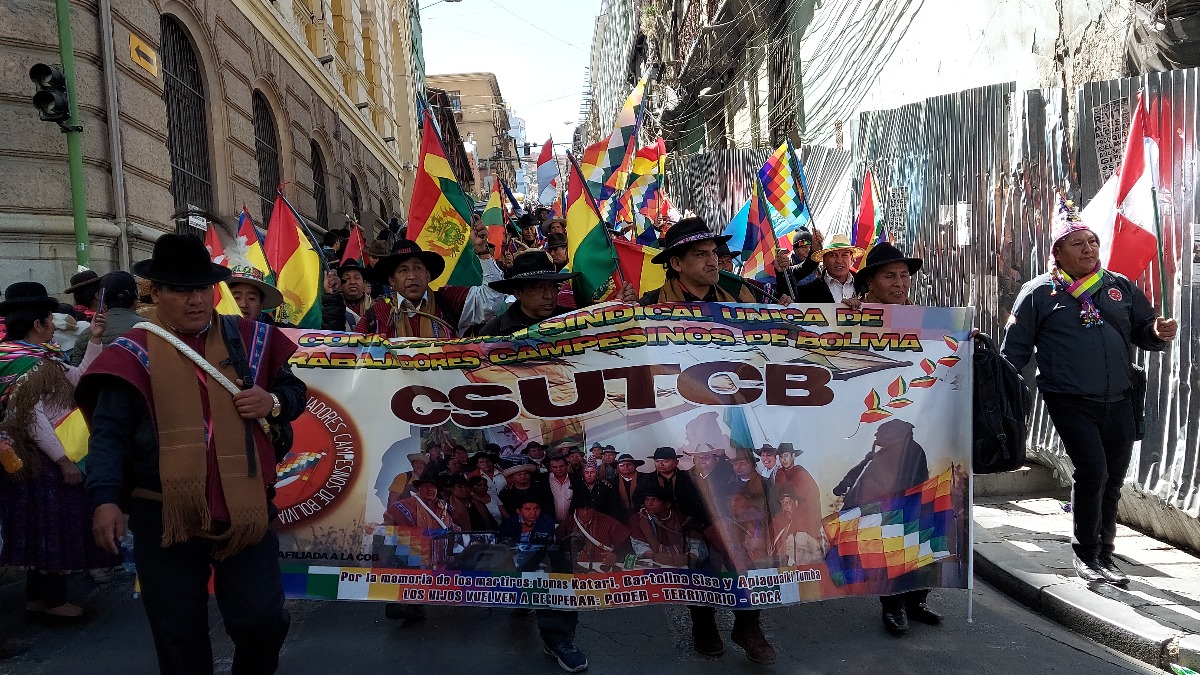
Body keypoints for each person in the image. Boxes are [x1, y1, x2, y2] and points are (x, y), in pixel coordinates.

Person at [78, 234, 306, 674]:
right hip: (164, 514)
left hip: (246, 511)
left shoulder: (250, 339)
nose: (196, 299)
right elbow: (108, 435)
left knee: (262, 620)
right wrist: (105, 498)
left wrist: (272, 401)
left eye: (202, 287)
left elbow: (294, 392)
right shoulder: (130, 353)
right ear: (156, 292)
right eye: (181, 289)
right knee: (178, 635)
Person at [1001, 195, 1177, 586]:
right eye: (1077, 243)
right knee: (1093, 469)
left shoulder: (1119, 287)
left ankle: (1105, 555)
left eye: (1093, 241)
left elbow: (1142, 332)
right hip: (1068, 399)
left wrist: (1156, 332)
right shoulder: (1038, 293)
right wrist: (1003, 397)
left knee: (1114, 476)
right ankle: (1084, 552)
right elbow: (1013, 354)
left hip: (1120, 397)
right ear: (1058, 251)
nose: (1088, 248)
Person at [0, 282, 114, 619]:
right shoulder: (23, 363)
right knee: (53, 526)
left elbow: (80, 378)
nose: (53, 323)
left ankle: (38, 598)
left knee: (38, 526)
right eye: (49, 318)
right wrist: (63, 460)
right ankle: (54, 601)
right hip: (40, 458)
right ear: (38, 324)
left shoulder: (43, 356)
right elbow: (31, 418)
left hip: (32, 459)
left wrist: (94, 339)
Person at [834, 419, 940, 636]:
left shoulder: (911, 452)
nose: (876, 438)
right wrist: (846, 484)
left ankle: (915, 603)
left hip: (907, 510)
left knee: (918, 559)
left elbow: (914, 481)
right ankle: (894, 607)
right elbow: (863, 471)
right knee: (891, 561)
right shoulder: (882, 455)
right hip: (886, 513)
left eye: (880, 434)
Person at [355, 228, 505, 338]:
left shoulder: (449, 301)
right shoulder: (376, 315)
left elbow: (491, 299)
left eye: (418, 268)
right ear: (392, 280)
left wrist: (482, 250)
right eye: (403, 270)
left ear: (428, 275)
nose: (412, 276)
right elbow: (351, 351)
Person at [497, 497, 587, 673]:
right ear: (519, 511)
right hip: (512, 567)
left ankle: (557, 641)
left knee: (552, 584)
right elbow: (502, 545)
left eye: (536, 508)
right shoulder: (509, 523)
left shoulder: (545, 521)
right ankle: (523, 603)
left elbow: (541, 546)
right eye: (528, 509)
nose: (533, 513)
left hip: (540, 565)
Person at [638, 218, 757, 304]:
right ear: (676, 263)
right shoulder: (651, 304)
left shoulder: (736, 299)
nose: (712, 261)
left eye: (714, 252)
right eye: (701, 254)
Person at [478, 251, 579, 335]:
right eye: (538, 288)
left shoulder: (575, 322)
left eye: (553, 286)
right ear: (518, 293)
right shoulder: (493, 333)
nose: (548, 295)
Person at [68, 271, 143, 366]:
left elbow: (75, 372)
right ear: (136, 293)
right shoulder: (150, 330)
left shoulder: (86, 334)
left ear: (102, 298)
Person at [627, 486, 702, 568]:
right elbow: (638, 544)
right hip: (652, 563)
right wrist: (653, 556)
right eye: (646, 499)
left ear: (667, 504)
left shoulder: (683, 519)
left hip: (681, 563)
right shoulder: (637, 519)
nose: (649, 504)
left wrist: (688, 557)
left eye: (655, 500)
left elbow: (698, 545)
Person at [558, 492, 630, 572]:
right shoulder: (568, 523)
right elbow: (557, 546)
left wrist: (616, 555)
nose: (585, 513)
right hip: (573, 569)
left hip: (600, 568)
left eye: (588, 509)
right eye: (581, 509)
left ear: (594, 508)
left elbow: (626, 545)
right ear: (576, 509)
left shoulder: (608, 522)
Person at [792, 233, 864, 305]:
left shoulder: (865, 286)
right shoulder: (806, 292)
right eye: (833, 255)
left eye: (844, 255)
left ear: (851, 259)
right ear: (824, 260)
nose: (839, 260)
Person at [773, 443, 823, 545]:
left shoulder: (800, 473)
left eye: (786, 456)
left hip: (803, 513)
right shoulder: (779, 473)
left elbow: (809, 495)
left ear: (793, 456)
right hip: (786, 512)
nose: (784, 460)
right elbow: (777, 495)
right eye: (781, 457)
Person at [770, 485, 825, 565]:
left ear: (795, 503)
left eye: (788, 502)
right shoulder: (782, 529)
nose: (785, 507)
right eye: (782, 503)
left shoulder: (803, 527)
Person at [323, 259, 373, 331]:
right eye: (347, 278)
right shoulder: (333, 305)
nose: (352, 282)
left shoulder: (374, 307)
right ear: (340, 283)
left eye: (357, 278)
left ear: (364, 283)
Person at [612, 453, 650, 520]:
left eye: (629, 464)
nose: (626, 467)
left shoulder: (646, 478)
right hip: (621, 517)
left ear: (635, 466)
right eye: (622, 465)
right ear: (617, 467)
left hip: (645, 514)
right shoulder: (612, 482)